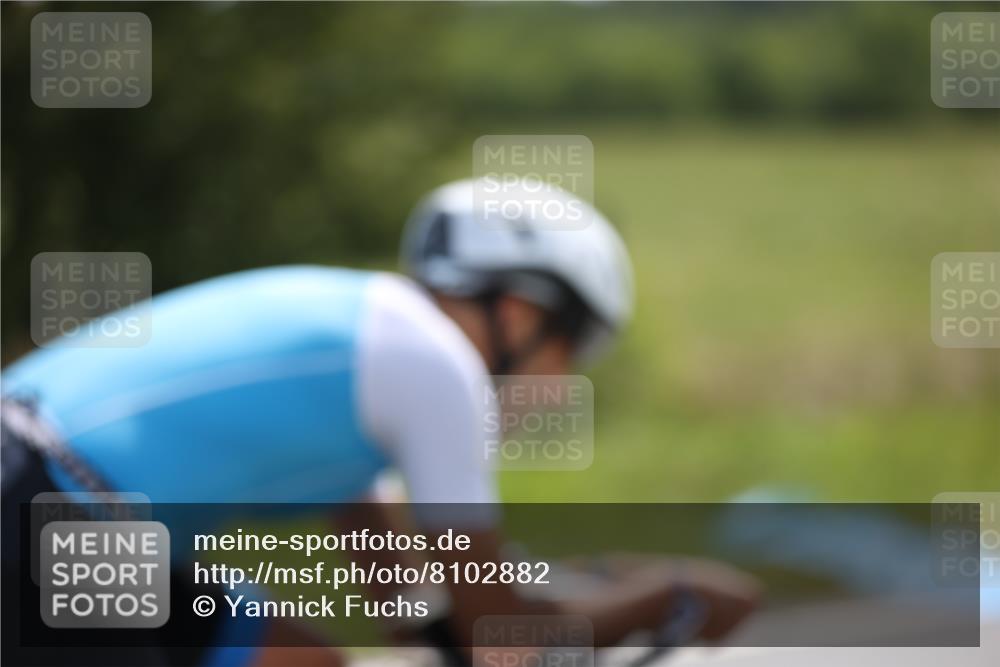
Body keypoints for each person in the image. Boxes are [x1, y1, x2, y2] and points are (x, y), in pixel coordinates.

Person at [1, 179, 758, 667]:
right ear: (520, 315)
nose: (562, 389)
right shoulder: (435, 365)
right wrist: (670, 590)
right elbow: (503, 641)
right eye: (572, 350)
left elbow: (408, 607)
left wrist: (541, 590)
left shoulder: (375, 358)